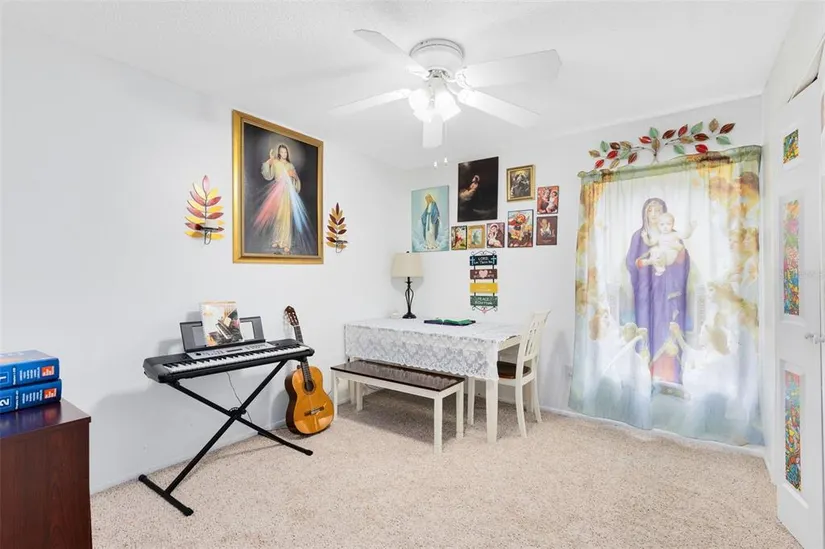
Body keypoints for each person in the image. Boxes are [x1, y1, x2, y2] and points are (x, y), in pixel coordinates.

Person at [625, 198, 690, 387]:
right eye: (650, 210)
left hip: (668, 292)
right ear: (645, 213)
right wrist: (645, 264)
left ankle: (667, 376)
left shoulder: (673, 235)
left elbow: (684, 264)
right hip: (645, 292)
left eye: (658, 210)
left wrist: (676, 257)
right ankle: (642, 376)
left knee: (667, 328)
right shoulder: (639, 236)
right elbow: (631, 263)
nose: (654, 214)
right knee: (645, 329)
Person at [254, 144, 316, 255]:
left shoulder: (290, 165)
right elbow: (268, 175)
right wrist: (270, 160)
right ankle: (277, 240)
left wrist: (294, 177)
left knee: (286, 217)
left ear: (287, 153)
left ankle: (286, 243)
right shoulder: (276, 163)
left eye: (285, 152)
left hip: (287, 192)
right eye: (282, 152)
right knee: (278, 216)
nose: (284, 154)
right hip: (277, 192)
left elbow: (296, 180)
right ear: (279, 153)